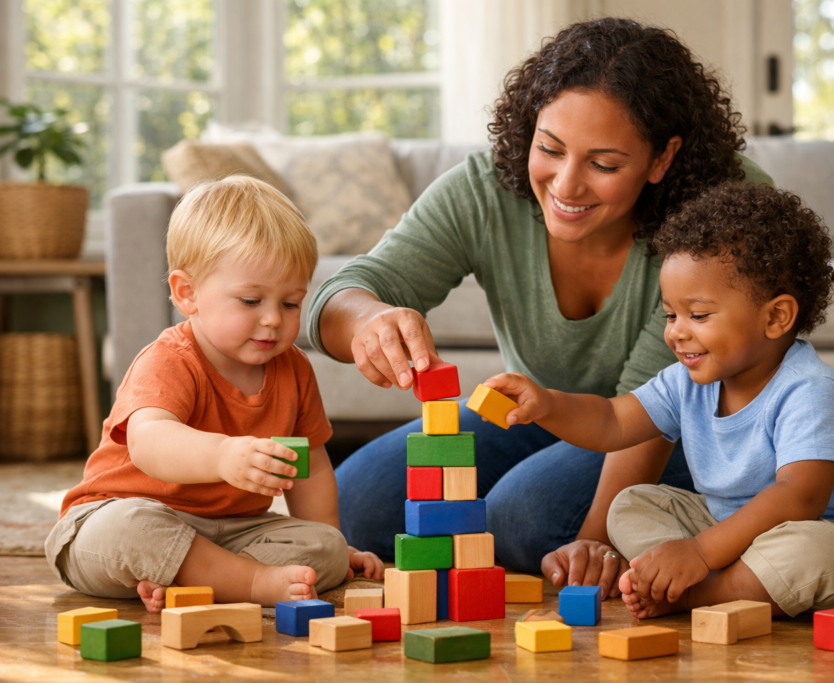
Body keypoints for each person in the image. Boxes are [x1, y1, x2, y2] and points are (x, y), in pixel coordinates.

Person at [310, 18, 774, 599]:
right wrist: (367, 320)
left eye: (604, 164)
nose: (566, 185)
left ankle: (736, 514)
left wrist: (597, 541)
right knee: (352, 506)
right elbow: (342, 294)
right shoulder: (484, 190)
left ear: (662, 159)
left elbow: (655, 408)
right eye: (550, 149)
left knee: (522, 517)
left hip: (686, 433)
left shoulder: (723, 209)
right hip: (545, 413)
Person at [484, 183, 834, 618]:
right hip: (735, 534)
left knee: (805, 551)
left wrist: (698, 551)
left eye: (698, 315)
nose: (676, 332)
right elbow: (612, 422)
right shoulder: (687, 382)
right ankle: (697, 578)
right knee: (631, 504)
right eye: (670, 314)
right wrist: (548, 404)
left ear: (776, 317)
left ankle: (696, 593)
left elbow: (800, 499)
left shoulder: (810, 389)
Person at [45, 176, 384, 612]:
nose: (273, 320)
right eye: (250, 301)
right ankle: (247, 581)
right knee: (129, 527)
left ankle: (195, 581)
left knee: (326, 549)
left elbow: (311, 467)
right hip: (123, 518)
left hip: (233, 530)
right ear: (187, 293)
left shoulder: (295, 370)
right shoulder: (170, 359)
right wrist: (223, 455)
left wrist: (336, 540)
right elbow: (149, 442)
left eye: (290, 303)